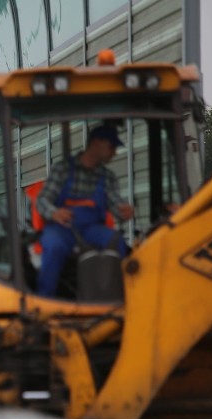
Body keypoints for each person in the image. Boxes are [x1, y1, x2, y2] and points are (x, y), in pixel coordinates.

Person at [35, 124, 134, 297]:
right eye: (112, 147)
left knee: (115, 241)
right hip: (62, 227)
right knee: (54, 246)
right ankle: (44, 299)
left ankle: (120, 298)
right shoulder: (63, 169)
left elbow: (116, 203)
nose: (114, 153)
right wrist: (54, 213)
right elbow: (43, 200)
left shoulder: (107, 176)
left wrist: (123, 211)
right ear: (97, 142)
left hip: (91, 229)